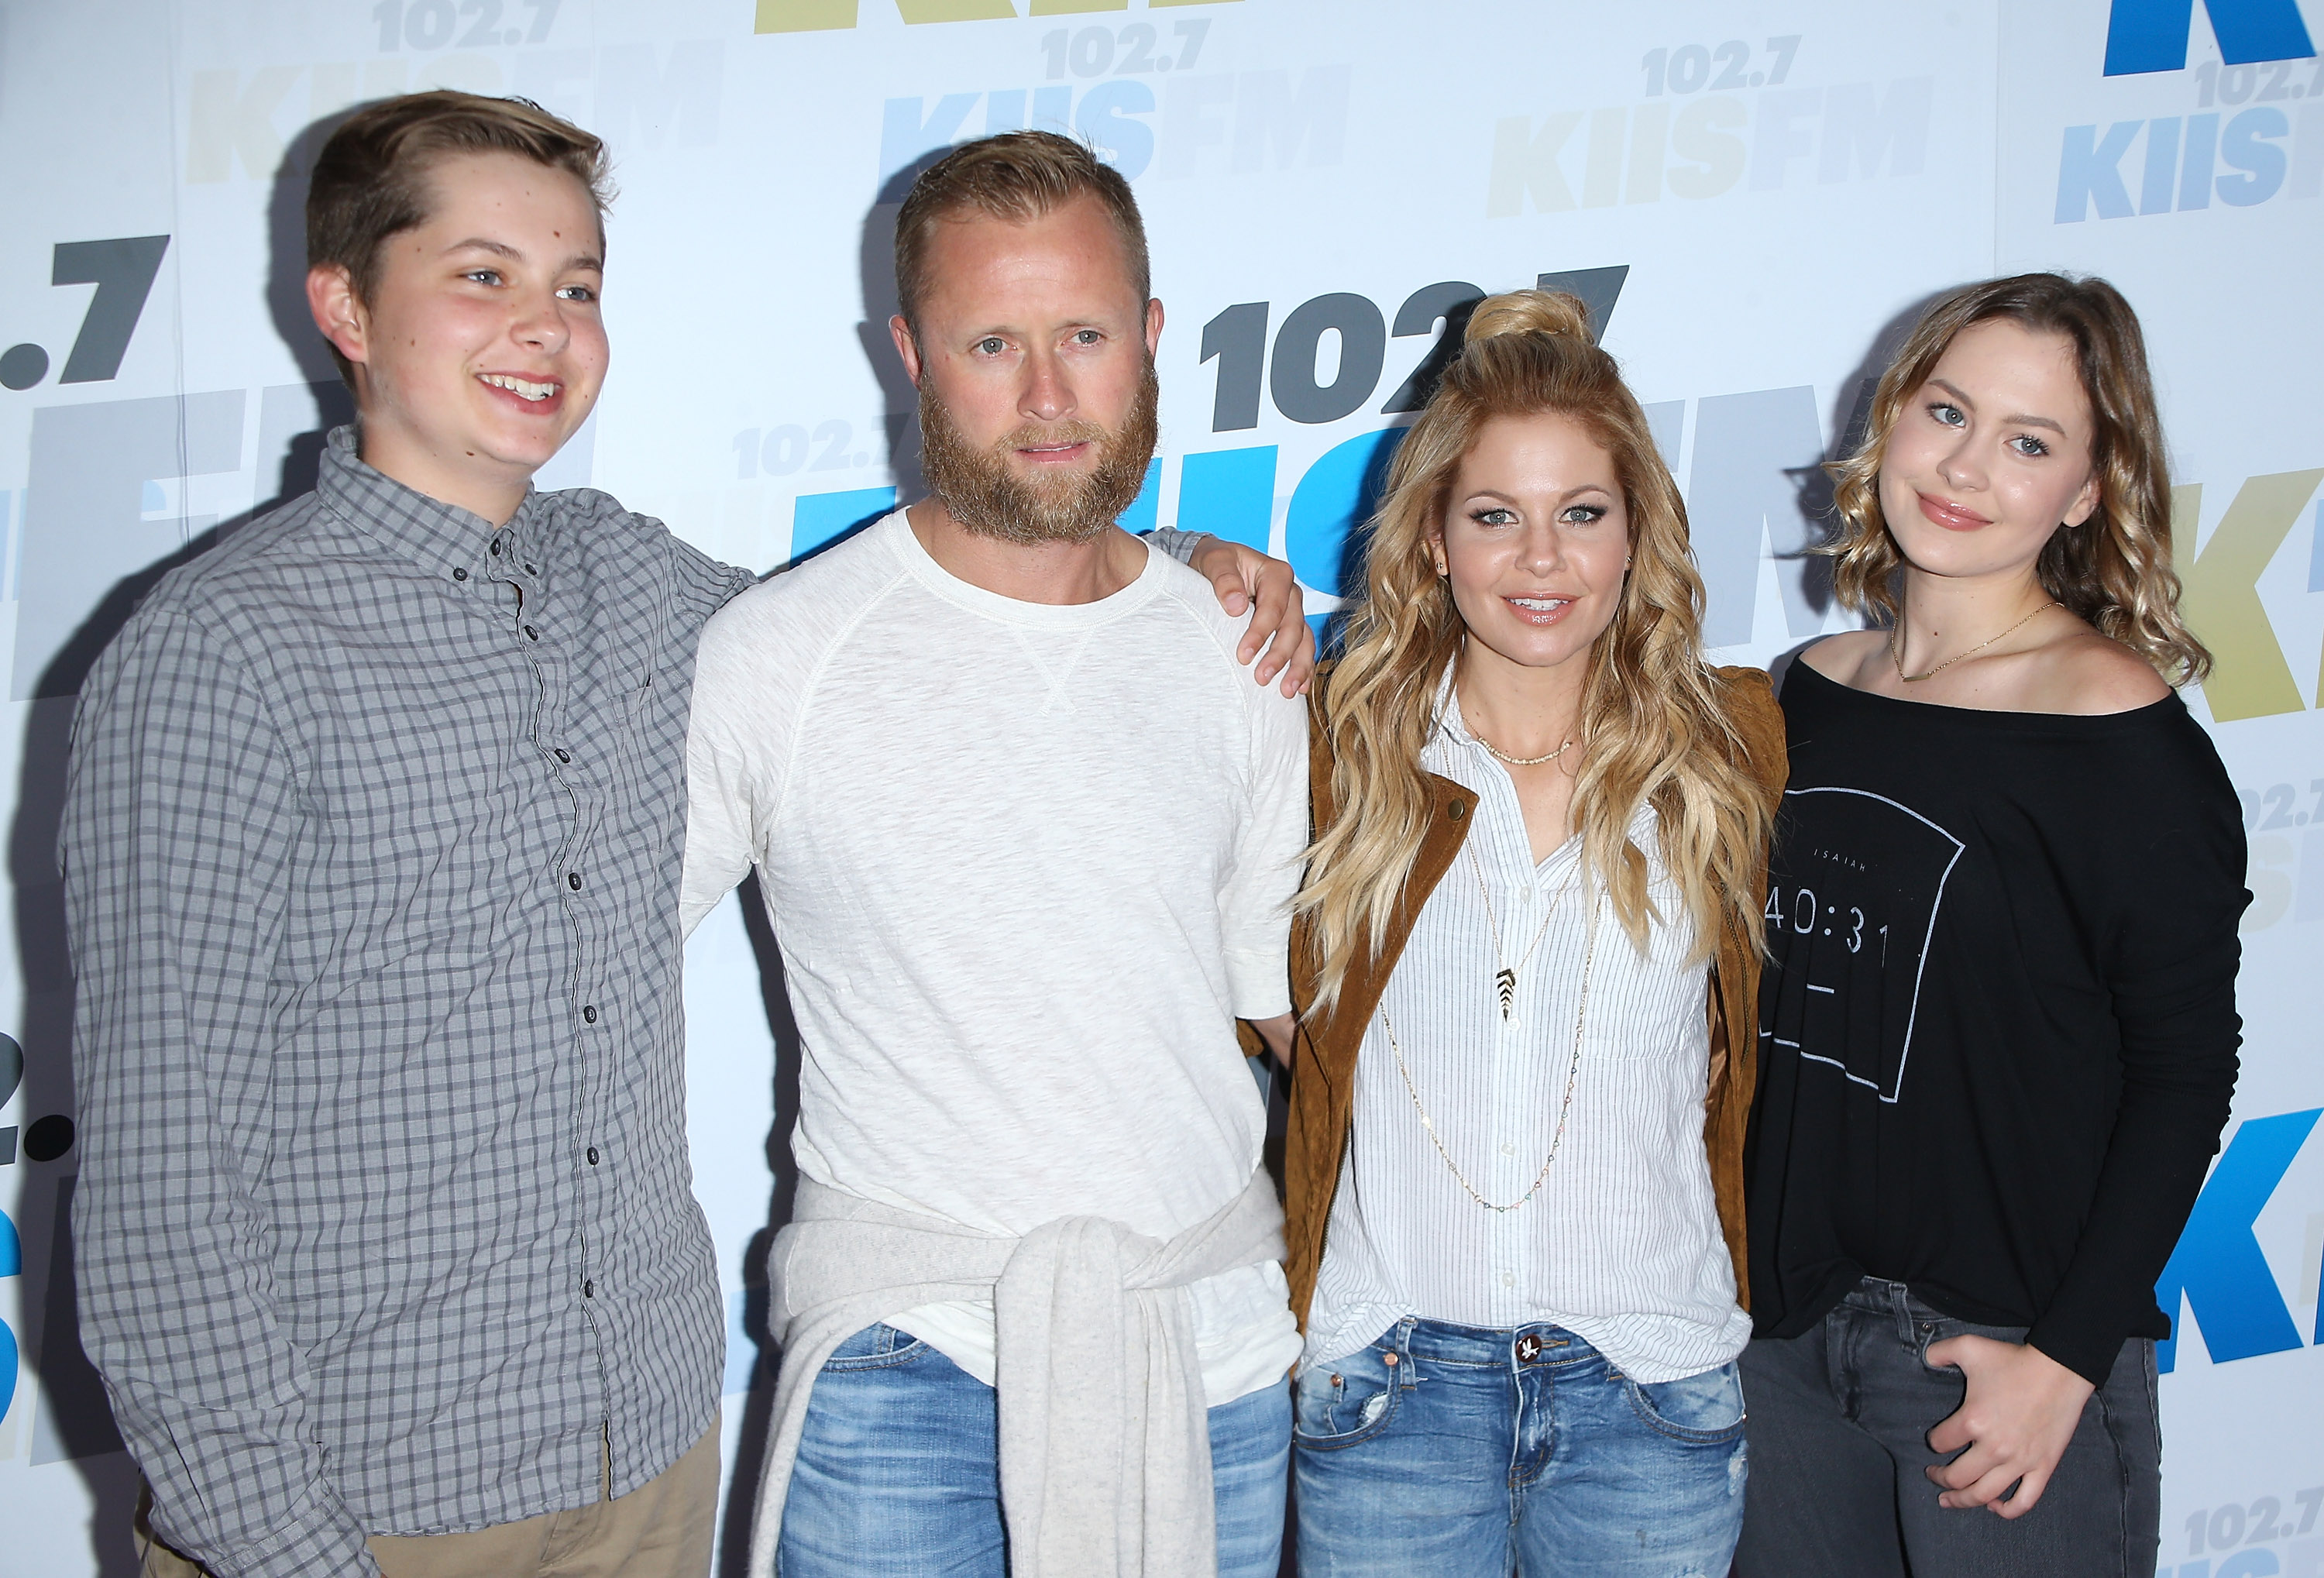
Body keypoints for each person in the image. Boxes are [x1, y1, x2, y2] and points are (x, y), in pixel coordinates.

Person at [62, 95, 1310, 1578]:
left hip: (644, 1463)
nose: (539, 325)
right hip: (356, 1495)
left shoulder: (635, 584)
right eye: (482, 276)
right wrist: (277, 1544)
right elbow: (159, 1194)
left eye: (574, 286)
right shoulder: (221, 649)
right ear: (342, 302)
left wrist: (1181, 568)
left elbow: (964, 610)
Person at [679, 130, 1310, 1578]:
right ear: (909, 350)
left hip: (1204, 1354)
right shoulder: (778, 656)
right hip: (905, 1360)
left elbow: (1284, 1001)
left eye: (1084, 335)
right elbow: (579, 976)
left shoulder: (1244, 645)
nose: (1046, 397)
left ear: (1150, 337)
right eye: (990, 343)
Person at [1734, 273, 2247, 1577]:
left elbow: (2185, 1077)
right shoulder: (1798, 693)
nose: (1967, 466)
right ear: (1888, 419)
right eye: (1946, 410)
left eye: (2029, 442)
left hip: (1996, 1359)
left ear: (2085, 490)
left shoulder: (2115, 727)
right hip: (1780, 1346)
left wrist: (2063, 1363)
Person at [1267, 289, 1785, 1576]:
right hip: (1388, 1394)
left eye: (1581, 514)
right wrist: (1197, 553)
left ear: (1633, 537)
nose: (1540, 559)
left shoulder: (1734, 748)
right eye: (1495, 515)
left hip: (1651, 1395)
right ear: (1433, 539)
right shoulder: (1335, 746)